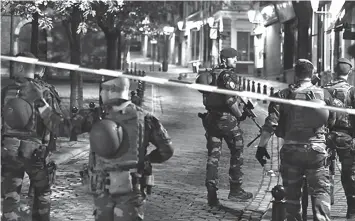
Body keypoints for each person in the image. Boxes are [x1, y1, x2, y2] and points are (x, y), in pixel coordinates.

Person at [72, 77, 174, 221]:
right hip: (131, 189)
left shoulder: (95, 116)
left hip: (102, 189)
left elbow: (62, 127)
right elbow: (167, 150)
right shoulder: (146, 118)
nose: (101, 94)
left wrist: (42, 107)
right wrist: (147, 160)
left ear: (111, 90)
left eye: (103, 90)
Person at [255, 59, 336, 220]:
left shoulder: (282, 95)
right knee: (320, 191)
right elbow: (332, 121)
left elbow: (271, 124)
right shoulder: (325, 95)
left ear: (295, 74)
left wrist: (261, 147)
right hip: (317, 151)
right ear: (312, 75)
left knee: (291, 196)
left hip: (291, 151)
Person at [1, 52, 67, 221]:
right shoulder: (43, 93)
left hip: (10, 151)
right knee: (42, 194)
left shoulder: (6, 91)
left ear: (21, 67)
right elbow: (53, 124)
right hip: (35, 153)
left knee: (10, 196)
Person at [195, 47, 252, 207]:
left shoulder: (212, 73)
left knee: (213, 155)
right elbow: (230, 100)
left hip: (211, 119)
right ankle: (235, 189)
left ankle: (211, 191)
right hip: (226, 120)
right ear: (224, 59)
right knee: (237, 151)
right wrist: (240, 114)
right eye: (233, 58)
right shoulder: (228, 75)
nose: (235, 61)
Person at [323, 58, 355, 219]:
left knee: (325, 170)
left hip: (326, 135)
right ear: (349, 72)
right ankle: (351, 210)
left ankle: (327, 203)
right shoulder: (352, 91)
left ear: (335, 71)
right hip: (346, 136)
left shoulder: (325, 89)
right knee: (349, 172)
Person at [28, 65, 63, 197]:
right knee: (39, 174)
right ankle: (34, 199)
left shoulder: (13, 89)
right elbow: (53, 119)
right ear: (42, 72)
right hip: (40, 140)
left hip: (13, 141)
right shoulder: (46, 91)